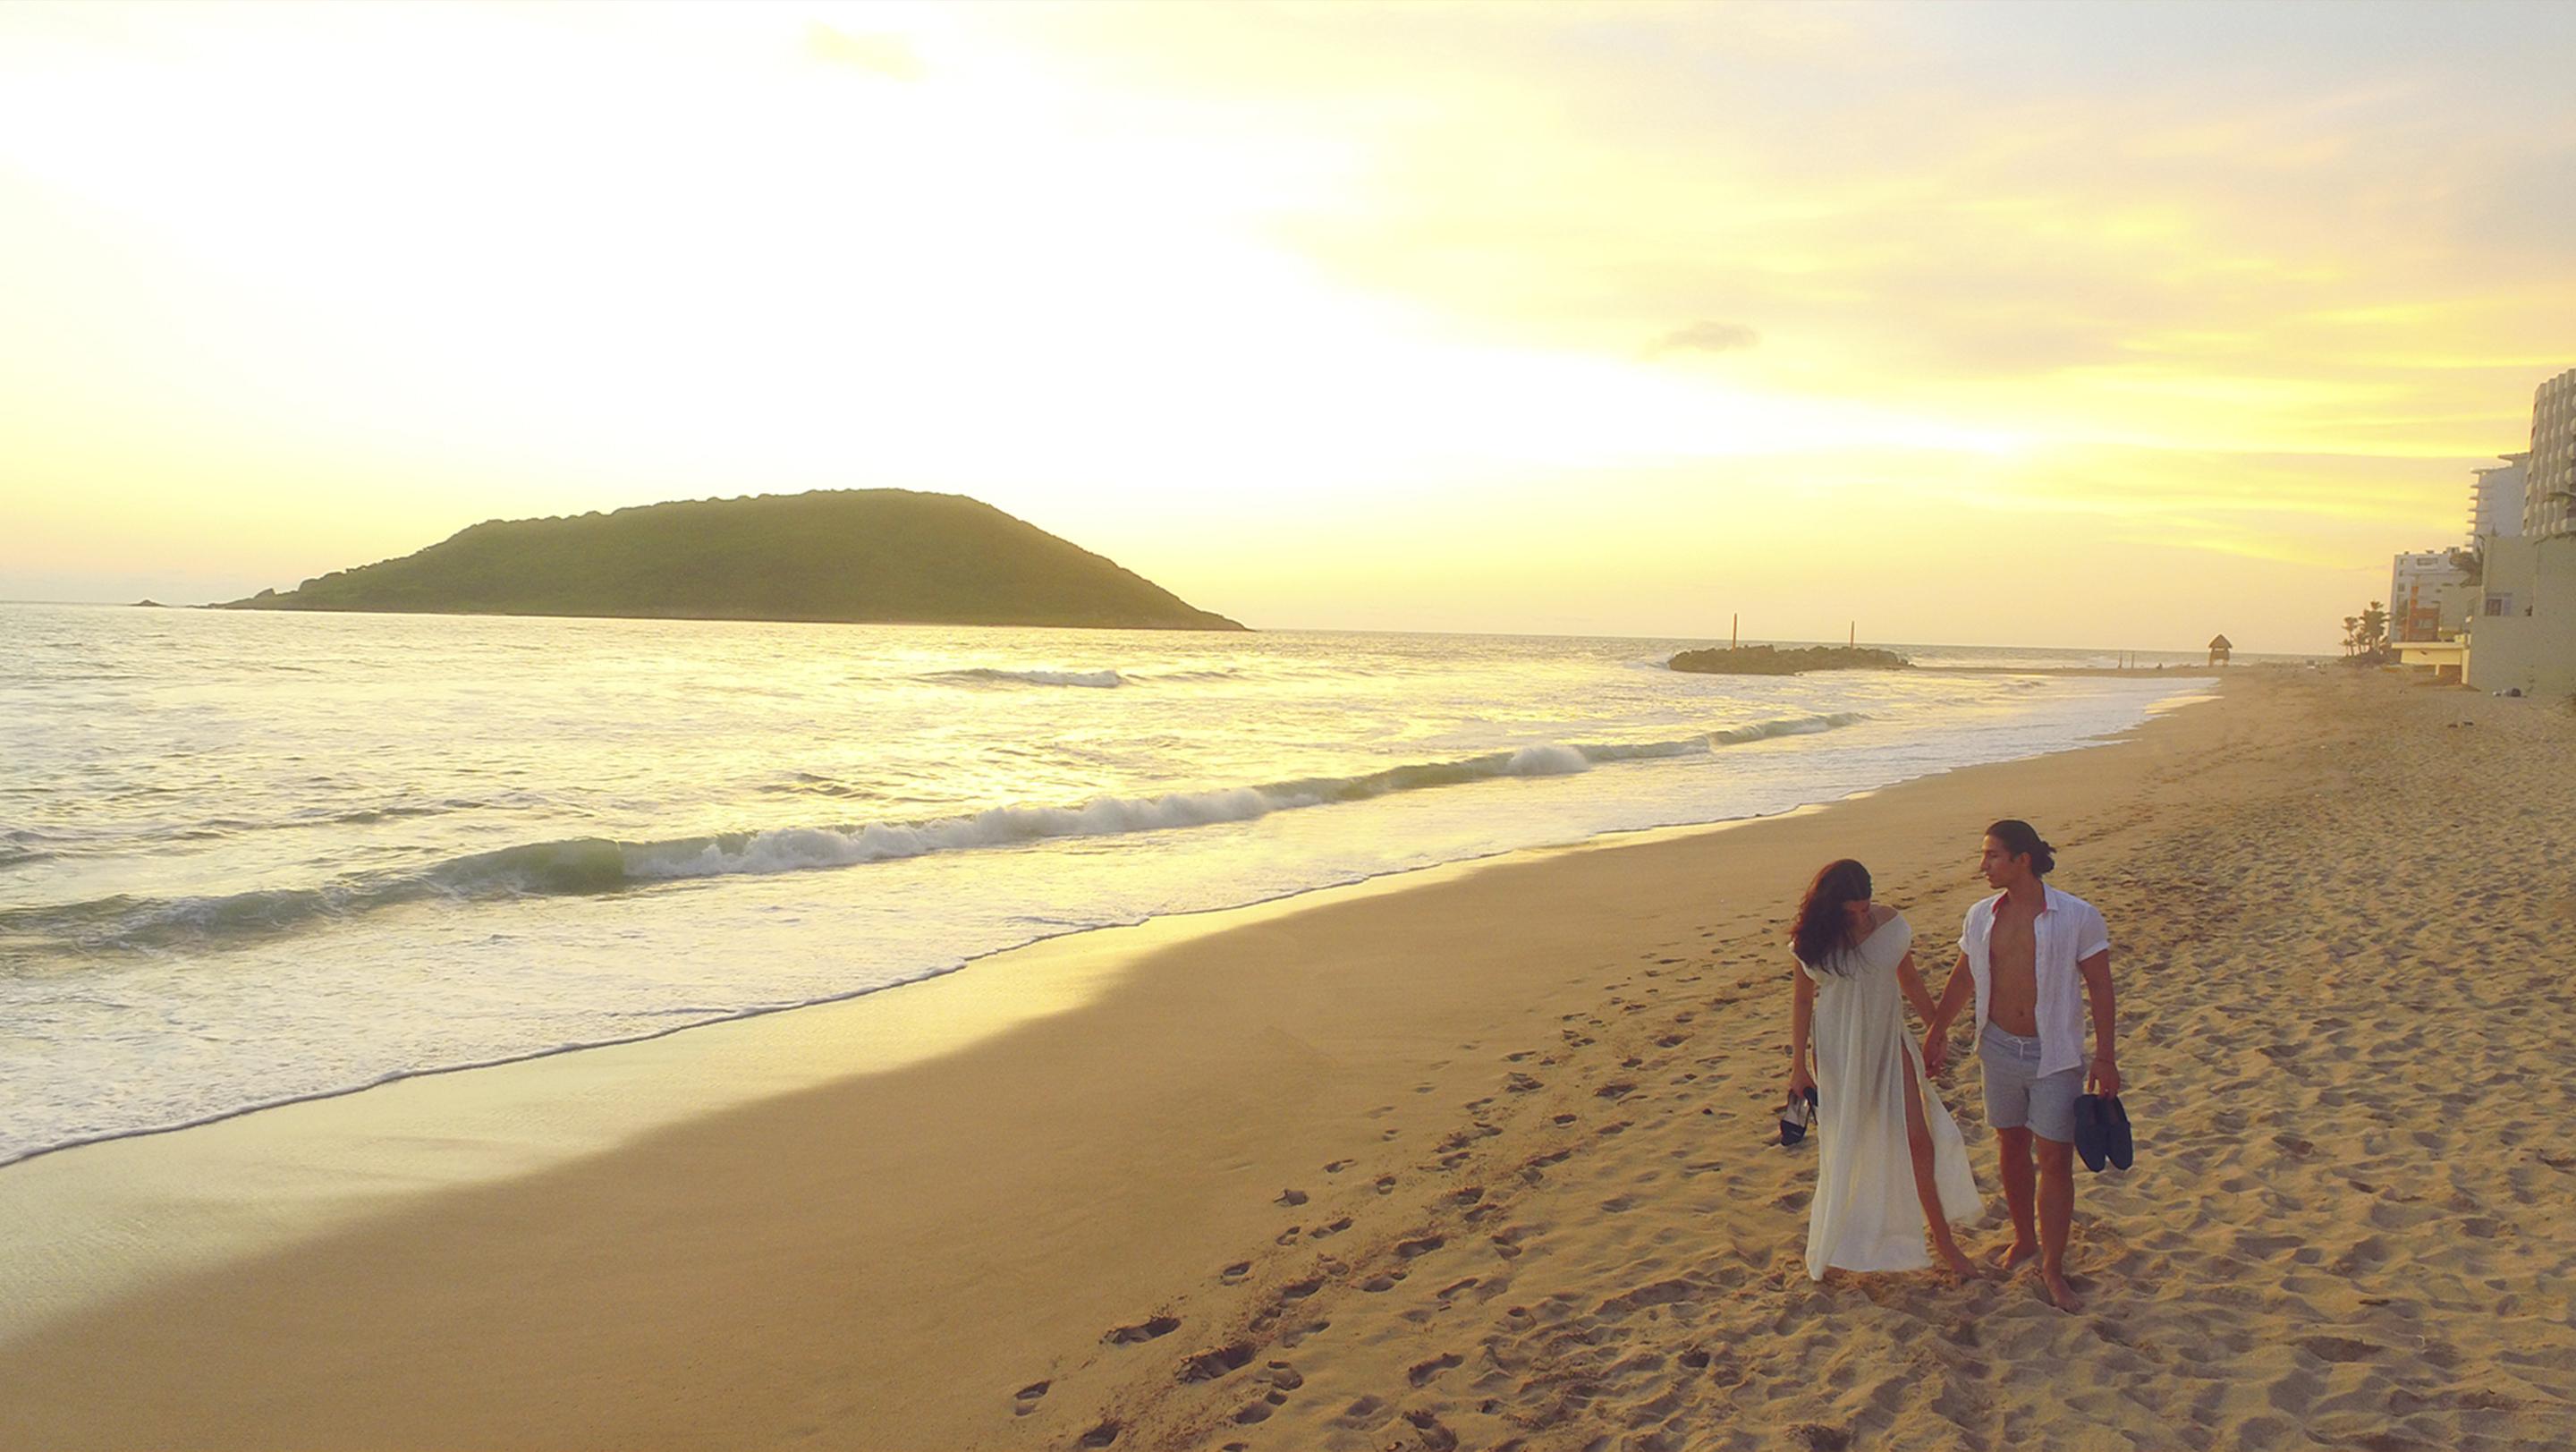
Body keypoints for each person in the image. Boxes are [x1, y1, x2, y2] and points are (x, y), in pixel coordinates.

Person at [1923, 819, 2120, 1313]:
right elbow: (1965, 973)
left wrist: (2106, 1055)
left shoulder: (2077, 916)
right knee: (2010, 1144)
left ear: (2022, 861)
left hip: (2055, 1055)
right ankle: (2025, 1240)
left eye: (1992, 856)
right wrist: (1939, 1028)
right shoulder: (1981, 916)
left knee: (2055, 1159)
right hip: (1999, 1049)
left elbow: (2100, 986)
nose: (1982, 865)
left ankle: (2053, 1267)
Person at [1785, 859, 1982, 1284]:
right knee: (1848, 1144)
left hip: (1889, 1042)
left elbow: (1908, 979)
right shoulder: (1812, 941)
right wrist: (1798, 1066)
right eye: (1850, 910)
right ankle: (1841, 1238)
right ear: (1830, 904)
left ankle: (1945, 1244)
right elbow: (1803, 1002)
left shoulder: (1890, 927)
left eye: (1864, 906)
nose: (1861, 916)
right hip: (1839, 1049)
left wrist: (1936, 1028)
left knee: (1918, 1141)